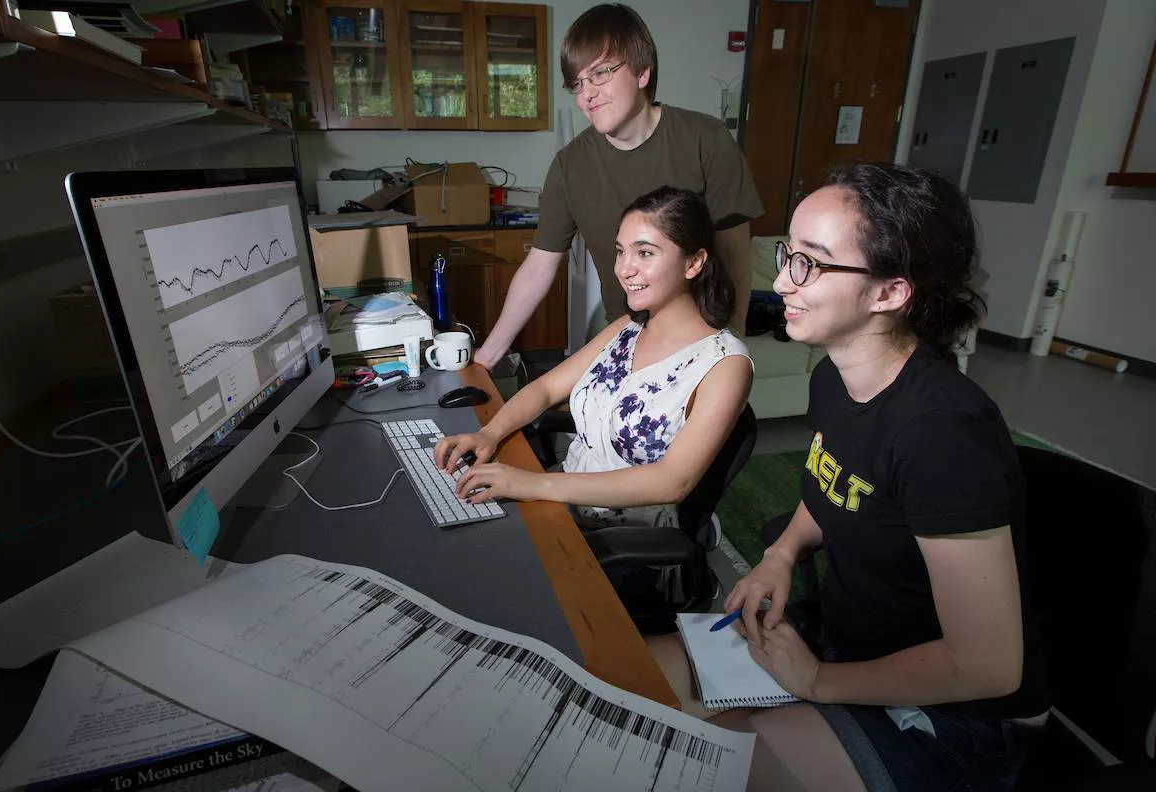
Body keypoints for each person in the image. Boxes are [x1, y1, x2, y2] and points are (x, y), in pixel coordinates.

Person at [648, 163, 1050, 792]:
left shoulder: (943, 434)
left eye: (811, 262)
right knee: (636, 680)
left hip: (962, 719)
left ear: (891, 292)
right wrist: (780, 554)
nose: (781, 280)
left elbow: (989, 666)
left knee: (699, 763)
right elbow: (838, 489)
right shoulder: (833, 376)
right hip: (849, 646)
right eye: (788, 253)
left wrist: (816, 682)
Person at [434, 187, 752, 533]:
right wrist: (488, 434)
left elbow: (670, 482)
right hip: (563, 500)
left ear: (694, 263)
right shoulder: (627, 327)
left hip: (630, 532)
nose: (624, 269)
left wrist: (531, 484)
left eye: (645, 253)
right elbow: (544, 388)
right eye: (621, 252)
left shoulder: (725, 363)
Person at [474, 3, 763, 370]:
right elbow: (539, 266)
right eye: (577, 83)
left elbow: (736, 252)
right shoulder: (570, 166)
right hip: (629, 338)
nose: (586, 95)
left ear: (642, 71)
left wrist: (732, 344)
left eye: (600, 74)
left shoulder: (706, 140)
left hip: (705, 340)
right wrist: (487, 356)